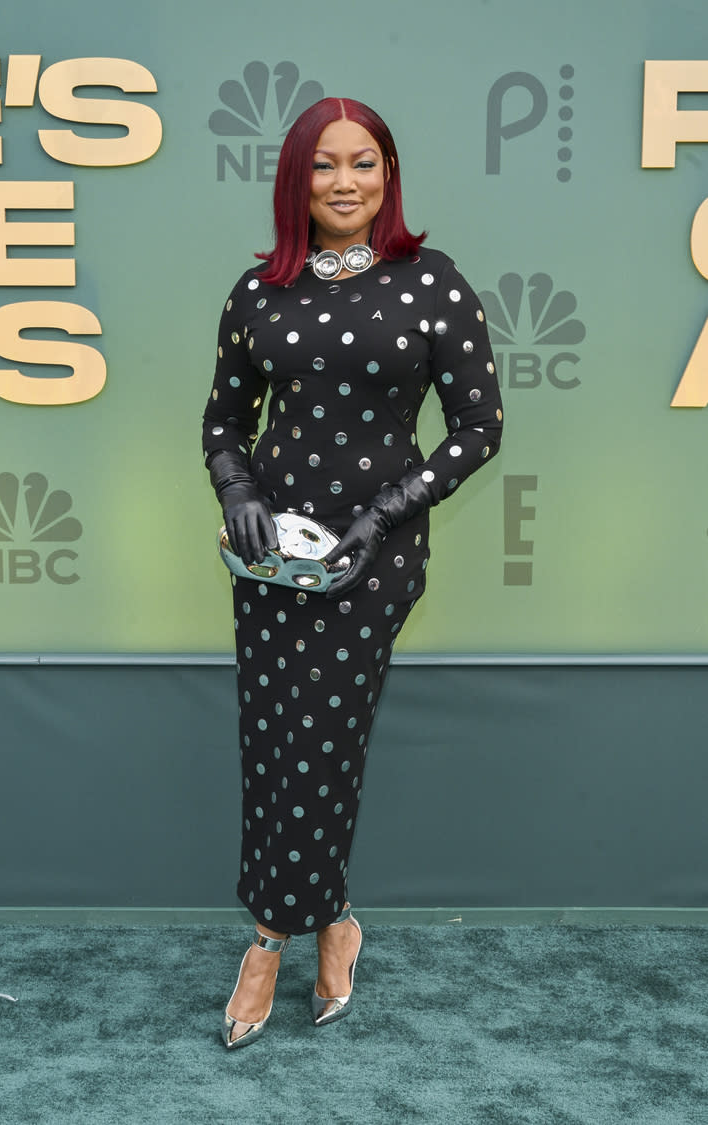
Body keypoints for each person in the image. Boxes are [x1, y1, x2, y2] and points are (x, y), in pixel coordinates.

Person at [202, 97, 503, 1049]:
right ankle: (331, 918)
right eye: (325, 166)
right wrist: (235, 488)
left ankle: (266, 939)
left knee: (324, 739)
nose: (345, 182)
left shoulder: (433, 283)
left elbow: (479, 429)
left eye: (364, 163)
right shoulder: (258, 293)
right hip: (269, 554)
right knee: (272, 733)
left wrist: (381, 513)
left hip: (373, 554)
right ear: (298, 180)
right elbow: (222, 421)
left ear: (388, 173)